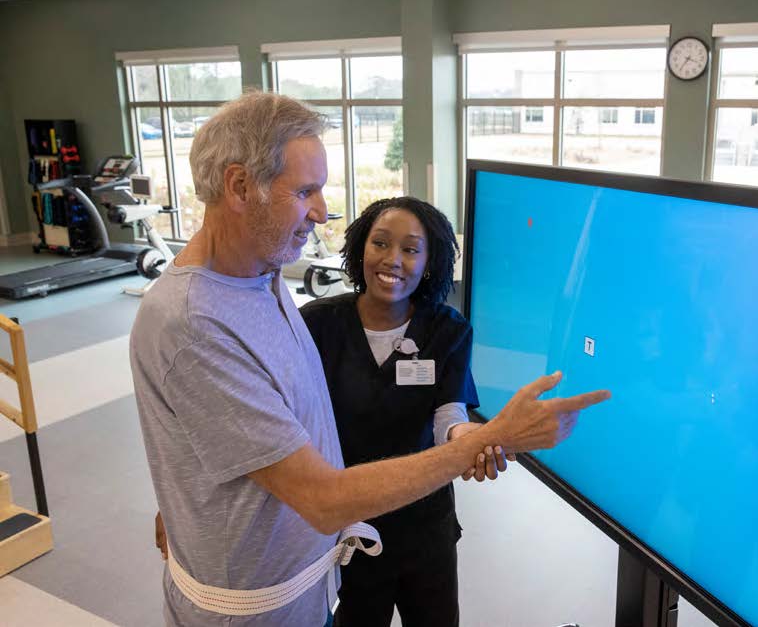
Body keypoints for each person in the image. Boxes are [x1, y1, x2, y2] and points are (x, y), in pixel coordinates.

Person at [130, 90, 609, 626]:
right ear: (240, 187)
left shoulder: (261, 275)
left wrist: (183, 498)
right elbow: (322, 500)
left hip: (319, 581)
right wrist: (491, 438)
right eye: (305, 191)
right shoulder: (197, 323)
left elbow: (206, 425)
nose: (321, 211)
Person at [301, 196, 488, 627]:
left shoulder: (447, 329)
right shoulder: (317, 324)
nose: (393, 260)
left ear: (429, 263)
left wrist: (467, 441)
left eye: (410, 249)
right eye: (381, 243)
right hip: (352, 520)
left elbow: (449, 413)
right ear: (360, 247)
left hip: (425, 520)